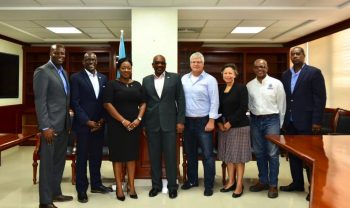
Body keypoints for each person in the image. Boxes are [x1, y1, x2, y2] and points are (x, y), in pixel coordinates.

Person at [279, 47, 326, 201]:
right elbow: (286, 98)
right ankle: (297, 183)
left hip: (307, 122)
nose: (295, 56)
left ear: (304, 55)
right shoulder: (285, 75)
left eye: (298, 53)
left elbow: (320, 98)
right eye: (292, 54)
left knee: (309, 157)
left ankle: (313, 186)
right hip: (290, 122)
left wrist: (317, 121)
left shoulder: (313, 73)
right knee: (293, 155)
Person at [33, 44, 73, 208]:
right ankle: (45, 201)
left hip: (63, 126)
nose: (60, 55)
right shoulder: (42, 71)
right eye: (56, 52)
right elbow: (40, 101)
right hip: (50, 128)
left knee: (58, 162)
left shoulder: (63, 72)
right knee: (48, 165)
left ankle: (56, 193)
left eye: (62, 53)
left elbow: (62, 99)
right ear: (50, 53)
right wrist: (45, 127)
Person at [70, 52, 112, 203]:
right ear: (83, 61)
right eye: (87, 59)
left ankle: (96, 184)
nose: (91, 61)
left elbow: (104, 101)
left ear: (97, 61)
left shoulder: (103, 78)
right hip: (83, 126)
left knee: (96, 157)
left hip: (99, 125)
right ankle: (82, 189)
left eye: (93, 59)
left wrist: (101, 120)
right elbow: (75, 102)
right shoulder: (76, 78)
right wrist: (87, 122)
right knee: (82, 158)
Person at [142, 55, 185, 199]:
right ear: (152, 64)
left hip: (170, 124)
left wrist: (180, 121)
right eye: (157, 63)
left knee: (171, 157)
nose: (160, 65)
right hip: (152, 124)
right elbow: (144, 103)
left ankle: (172, 186)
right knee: (154, 157)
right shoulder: (146, 80)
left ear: (165, 64)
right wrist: (143, 124)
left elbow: (180, 99)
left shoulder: (174, 78)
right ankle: (156, 186)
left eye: (162, 63)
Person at [103, 57, 146, 201]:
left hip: (134, 126)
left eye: (129, 67)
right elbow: (108, 104)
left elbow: (143, 103)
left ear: (132, 68)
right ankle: (119, 188)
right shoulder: (112, 84)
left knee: (131, 156)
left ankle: (131, 186)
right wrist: (122, 120)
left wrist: (138, 119)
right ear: (118, 69)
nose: (126, 70)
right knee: (118, 157)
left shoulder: (137, 85)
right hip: (117, 126)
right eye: (123, 68)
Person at [181, 52, 220, 197]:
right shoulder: (184, 79)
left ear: (203, 64)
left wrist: (211, 121)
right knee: (190, 154)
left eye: (198, 62)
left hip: (204, 121)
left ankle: (209, 185)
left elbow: (215, 101)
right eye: (193, 62)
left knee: (208, 155)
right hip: (188, 121)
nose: (196, 64)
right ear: (190, 64)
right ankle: (192, 181)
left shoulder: (210, 80)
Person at [247, 58, 286, 199]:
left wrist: (279, 125)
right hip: (255, 120)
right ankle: (263, 181)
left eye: (262, 66)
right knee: (259, 152)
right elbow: (250, 105)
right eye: (257, 66)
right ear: (253, 68)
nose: (260, 69)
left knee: (272, 153)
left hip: (272, 121)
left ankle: (273, 185)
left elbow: (282, 105)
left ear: (267, 68)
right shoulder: (249, 85)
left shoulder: (276, 84)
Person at [217, 64, 251, 198]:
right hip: (223, 127)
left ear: (235, 74)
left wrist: (230, 123)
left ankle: (239, 185)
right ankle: (231, 182)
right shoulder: (220, 89)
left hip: (239, 126)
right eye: (225, 73)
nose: (228, 75)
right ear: (222, 75)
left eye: (230, 73)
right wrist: (220, 123)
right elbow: (217, 107)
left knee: (238, 158)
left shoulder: (241, 88)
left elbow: (243, 107)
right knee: (228, 156)